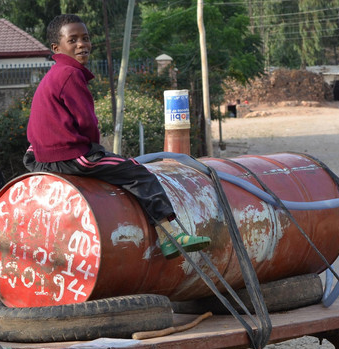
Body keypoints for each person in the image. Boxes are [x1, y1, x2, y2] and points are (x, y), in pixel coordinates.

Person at [24, 13, 210, 259]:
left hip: (39, 156)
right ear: (57, 48)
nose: (82, 44)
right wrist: (97, 151)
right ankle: (169, 235)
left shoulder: (54, 74)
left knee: (121, 166)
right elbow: (87, 122)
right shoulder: (70, 74)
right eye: (74, 40)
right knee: (137, 172)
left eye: (86, 38)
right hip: (68, 156)